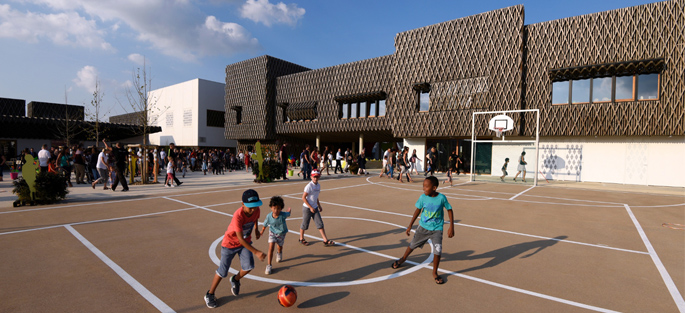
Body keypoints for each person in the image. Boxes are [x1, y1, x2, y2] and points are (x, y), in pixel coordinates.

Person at [204, 189, 265, 309]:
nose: (253, 209)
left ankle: (235, 279)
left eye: (255, 206)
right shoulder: (238, 216)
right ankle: (210, 294)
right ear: (243, 204)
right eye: (250, 207)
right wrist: (256, 251)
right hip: (230, 245)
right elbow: (240, 239)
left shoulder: (256, 210)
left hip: (244, 243)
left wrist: (257, 229)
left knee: (248, 267)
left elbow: (255, 218)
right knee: (222, 271)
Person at [391, 176, 454, 284]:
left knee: (438, 250)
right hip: (423, 228)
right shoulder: (422, 198)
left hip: (437, 229)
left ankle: (435, 272)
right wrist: (410, 225)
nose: (423, 189)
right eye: (423, 186)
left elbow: (449, 209)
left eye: (426, 186)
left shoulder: (442, 198)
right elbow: (417, 211)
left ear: (434, 188)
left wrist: (451, 226)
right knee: (412, 245)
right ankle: (403, 259)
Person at [298, 169, 335, 246]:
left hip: (315, 207)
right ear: (311, 177)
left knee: (320, 224)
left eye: (317, 177)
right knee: (305, 224)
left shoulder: (318, 185)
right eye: (314, 177)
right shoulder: (309, 186)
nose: (316, 178)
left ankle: (325, 240)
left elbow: (316, 197)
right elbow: (303, 198)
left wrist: (319, 205)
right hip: (307, 208)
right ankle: (301, 238)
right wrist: (310, 207)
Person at [259, 196, 291, 275]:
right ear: (271, 208)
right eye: (274, 208)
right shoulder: (269, 216)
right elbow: (265, 224)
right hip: (272, 233)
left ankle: (279, 253)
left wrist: (289, 211)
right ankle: (269, 265)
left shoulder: (283, 215)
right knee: (271, 248)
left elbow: (288, 213)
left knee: (279, 247)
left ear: (281, 208)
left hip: (281, 233)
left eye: (278, 208)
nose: (276, 210)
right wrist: (262, 231)